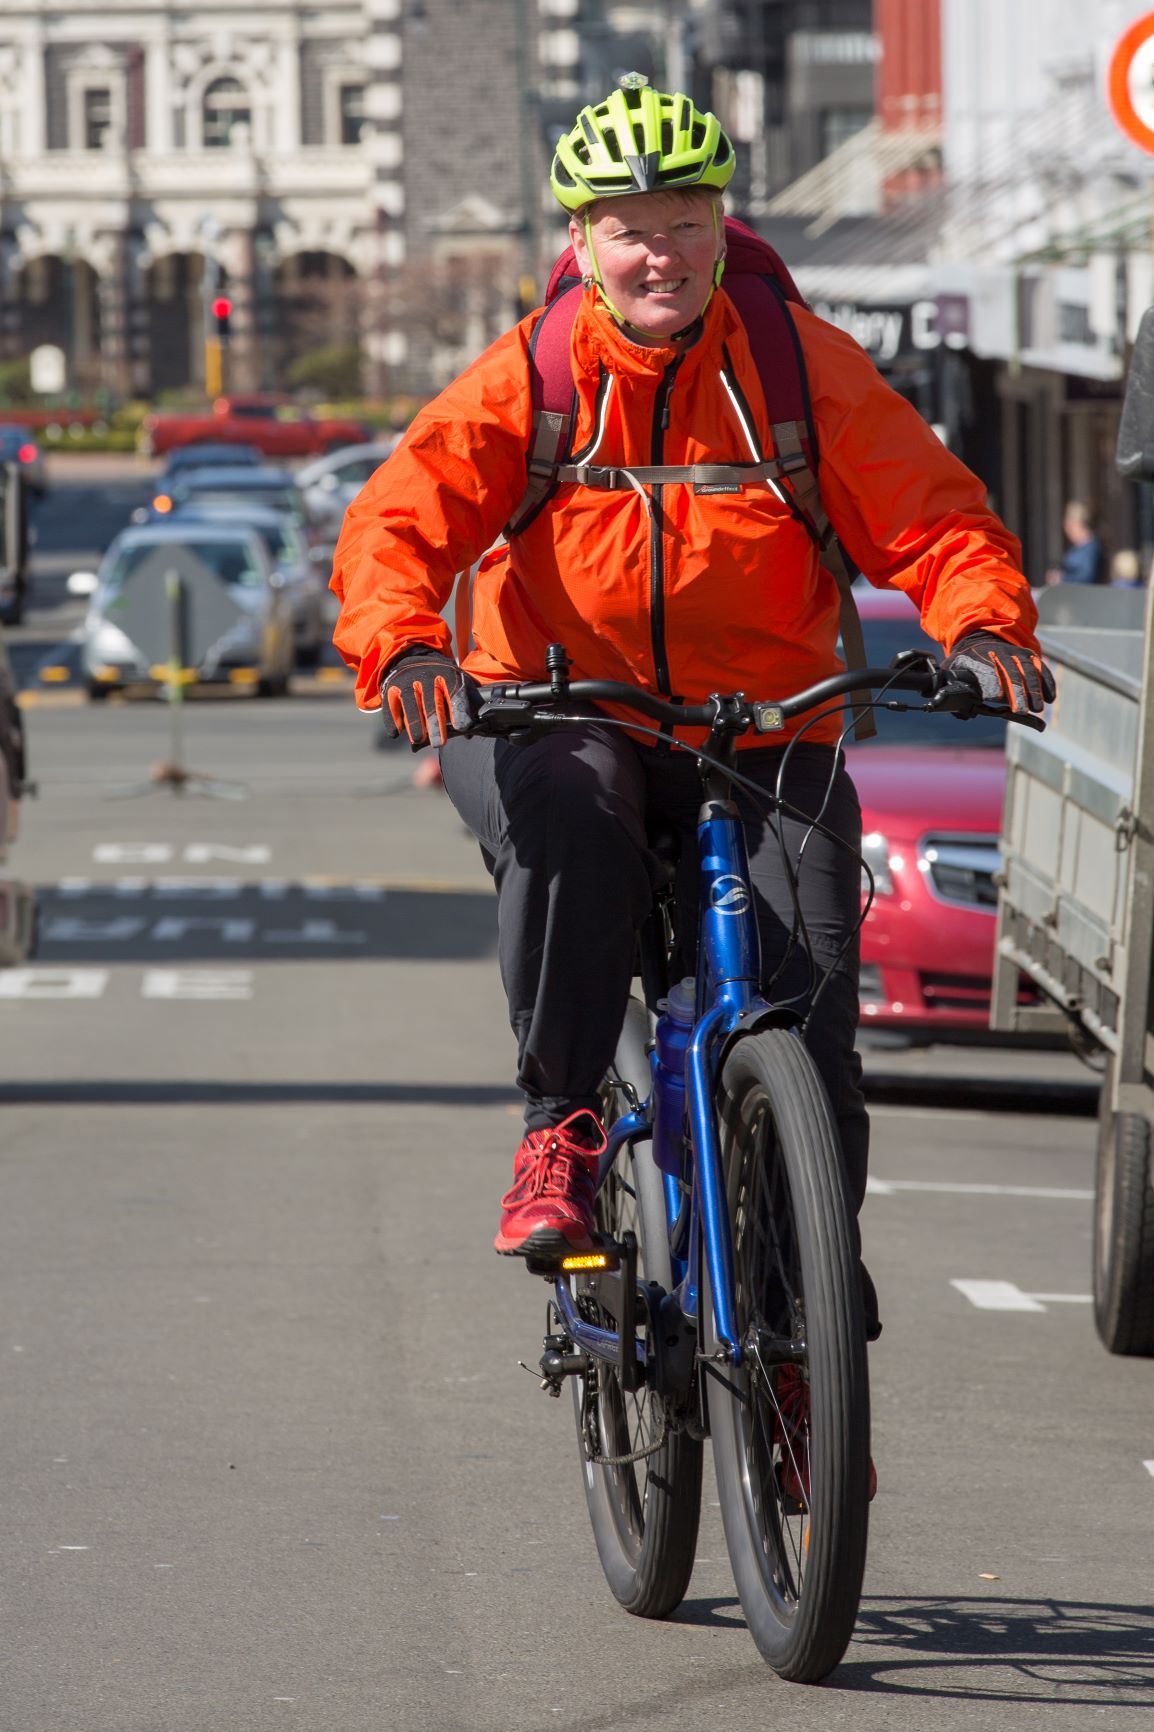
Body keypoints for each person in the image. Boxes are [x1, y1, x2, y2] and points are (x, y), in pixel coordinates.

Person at [331, 78, 1052, 1352]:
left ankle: (794, 1327)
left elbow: (934, 519)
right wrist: (406, 647)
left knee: (813, 1038)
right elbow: (399, 520)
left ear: (723, 228)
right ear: (581, 247)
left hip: (767, 724)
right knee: (573, 807)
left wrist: (981, 623)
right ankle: (559, 1124)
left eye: (682, 218)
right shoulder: (535, 375)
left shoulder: (795, 366)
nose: (655, 248)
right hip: (558, 709)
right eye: (626, 225)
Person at [1046, 500, 1105, 584]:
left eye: (1069, 526)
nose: (1066, 531)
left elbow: (1087, 576)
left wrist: (1062, 578)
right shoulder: (1077, 548)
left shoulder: (1092, 548)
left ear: (1078, 524)